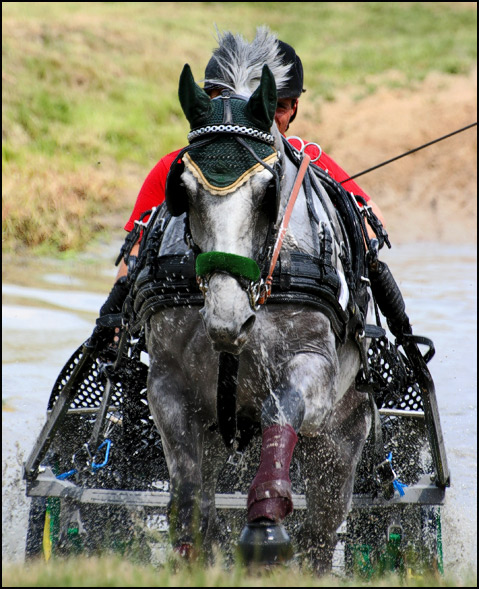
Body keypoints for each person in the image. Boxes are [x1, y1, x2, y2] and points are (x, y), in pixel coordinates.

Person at [98, 40, 386, 326]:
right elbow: (134, 252)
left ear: (294, 108)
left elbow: (373, 220)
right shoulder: (172, 167)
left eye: (276, 107)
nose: (257, 121)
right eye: (234, 103)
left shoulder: (309, 163)